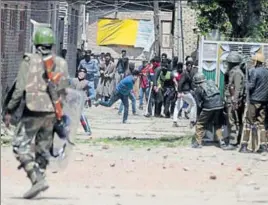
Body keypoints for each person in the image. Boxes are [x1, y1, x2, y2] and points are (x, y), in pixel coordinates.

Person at [3, 27, 69, 199]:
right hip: (53, 112)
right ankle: (40, 177)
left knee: (19, 144)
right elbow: (64, 91)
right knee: (43, 147)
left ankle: (36, 178)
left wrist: (9, 110)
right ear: (52, 44)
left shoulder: (29, 61)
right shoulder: (61, 63)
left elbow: (19, 89)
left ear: (36, 43)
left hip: (33, 111)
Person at [239, 53, 268, 153]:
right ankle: (263, 146)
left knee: (248, 123)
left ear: (256, 61)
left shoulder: (254, 72)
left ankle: (244, 145)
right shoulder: (267, 72)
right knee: (261, 124)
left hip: (254, 101)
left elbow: (251, 86)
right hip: (264, 102)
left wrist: (246, 84)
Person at [191, 73, 226, 148]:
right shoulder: (212, 83)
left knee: (200, 124)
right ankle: (221, 142)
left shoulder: (198, 89)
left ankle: (198, 143)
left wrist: (198, 117)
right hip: (220, 105)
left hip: (208, 107)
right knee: (218, 124)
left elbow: (199, 105)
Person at [223, 51, 245, 150]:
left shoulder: (237, 73)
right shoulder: (233, 72)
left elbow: (237, 89)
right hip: (231, 100)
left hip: (233, 101)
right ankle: (236, 140)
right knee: (233, 121)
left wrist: (234, 101)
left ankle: (233, 142)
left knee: (232, 121)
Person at [173, 60, 197, 127]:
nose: (189, 67)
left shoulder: (188, 73)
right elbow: (180, 83)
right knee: (193, 104)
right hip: (185, 92)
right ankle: (192, 121)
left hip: (183, 92)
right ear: (186, 66)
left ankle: (175, 121)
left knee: (178, 106)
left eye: (190, 65)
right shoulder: (185, 73)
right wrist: (179, 92)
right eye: (188, 65)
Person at [70, 67, 92, 136]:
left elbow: (92, 93)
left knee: (81, 115)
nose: (81, 74)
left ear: (85, 74)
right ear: (78, 73)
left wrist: (88, 99)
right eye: (80, 72)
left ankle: (87, 130)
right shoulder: (73, 80)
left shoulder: (87, 83)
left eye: (83, 73)